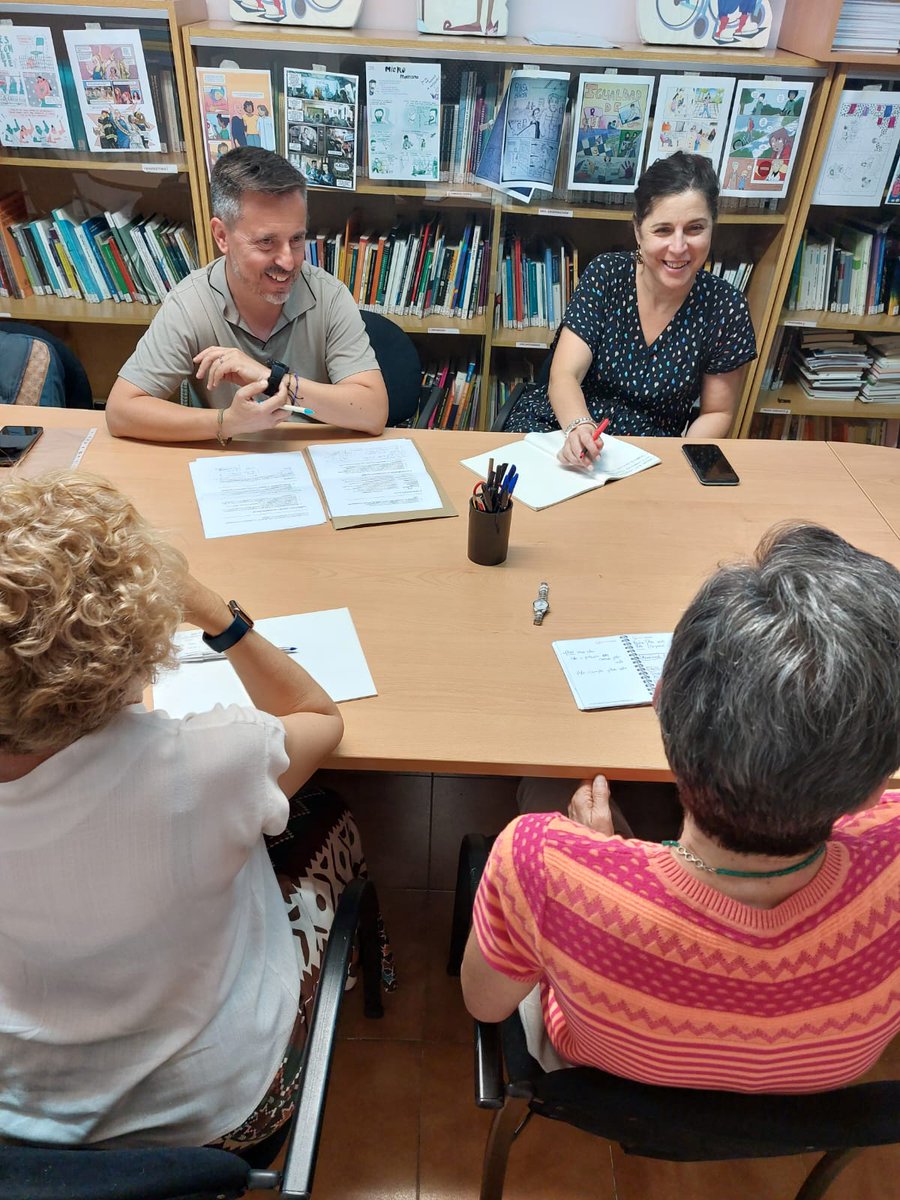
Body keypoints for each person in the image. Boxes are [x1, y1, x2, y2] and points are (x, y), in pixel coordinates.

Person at [0, 471, 391, 1149]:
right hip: (216, 1105)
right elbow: (318, 717)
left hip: (20, 1111)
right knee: (327, 815)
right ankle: (363, 965)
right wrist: (218, 614)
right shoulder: (207, 764)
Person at [462, 523, 900, 1092]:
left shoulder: (541, 860)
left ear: (660, 697)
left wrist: (603, 858)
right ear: (873, 789)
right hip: (817, 1092)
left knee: (547, 784)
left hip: (602, 1070)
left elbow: (484, 1005)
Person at [106, 147, 388, 443]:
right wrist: (226, 422)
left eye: (296, 239)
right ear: (222, 236)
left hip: (315, 458)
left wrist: (270, 378)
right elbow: (122, 411)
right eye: (266, 242)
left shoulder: (329, 295)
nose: (288, 262)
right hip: (232, 461)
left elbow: (372, 413)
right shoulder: (190, 303)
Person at [503, 152, 757, 465]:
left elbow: (717, 412)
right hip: (562, 425)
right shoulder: (606, 274)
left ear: (712, 227)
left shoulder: (727, 307)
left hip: (648, 451)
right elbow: (565, 374)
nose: (678, 247)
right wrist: (578, 426)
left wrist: (680, 463)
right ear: (638, 231)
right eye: (662, 230)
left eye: (694, 229)